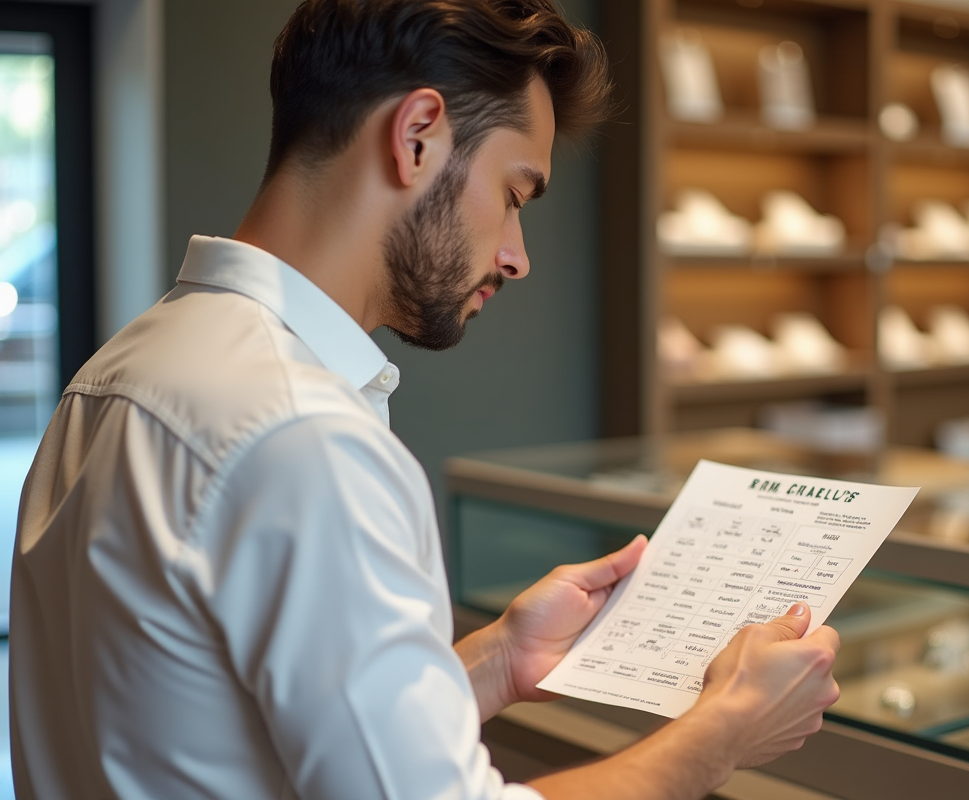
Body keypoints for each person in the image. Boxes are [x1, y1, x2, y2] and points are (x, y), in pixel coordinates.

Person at [9, 1, 841, 798]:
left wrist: (499, 660)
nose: (517, 257)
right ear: (416, 137)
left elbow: (214, 726)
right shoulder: (302, 437)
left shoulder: (118, 371)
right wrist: (724, 731)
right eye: (514, 196)